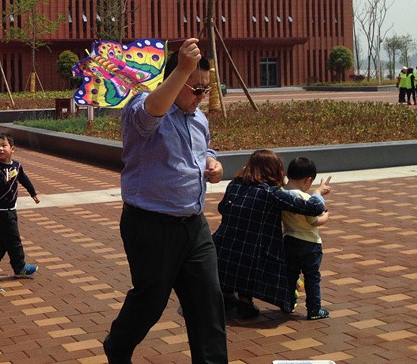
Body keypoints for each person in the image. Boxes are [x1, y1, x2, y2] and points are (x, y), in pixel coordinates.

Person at [104, 38, 227, 364]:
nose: (201, 97)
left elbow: (204, 149)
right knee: (151, 300)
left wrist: (212, 163)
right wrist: (183, 67)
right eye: (196, 89)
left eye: (206, 90)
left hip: (194, 225)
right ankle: (118, 346)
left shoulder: (198, 118)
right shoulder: (143, 107)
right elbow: (150, 114)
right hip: (151, 225)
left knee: (208, 302)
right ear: (176, 78)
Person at [212, 150, 330, 318]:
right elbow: (314, 208)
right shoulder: (270, 192)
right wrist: (318, 193)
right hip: (252, 258)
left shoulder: (234, 184)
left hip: (221, 250)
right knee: (253, 250)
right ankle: (245, 302)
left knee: (241, 246)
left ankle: (226, 295)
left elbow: (222, 208)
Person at [0, 133, 40, 280]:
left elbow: (24, 179)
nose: (0, 149)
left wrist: (33, 193)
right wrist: (5, 180)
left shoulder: (17, 166)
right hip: (0, 212)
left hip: (11, 210)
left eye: (3, 145)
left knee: (3, 240)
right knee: (13, 240)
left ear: (12, 148)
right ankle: (20, 267)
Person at [282, 157, 331, 320]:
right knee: (312, 277)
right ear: (308, 180)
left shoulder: (281, 193)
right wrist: (326, 216)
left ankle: (288, 303)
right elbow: (314, 221)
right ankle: (314, 309)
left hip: (289, 240)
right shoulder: (304, 198)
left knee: (290, 275)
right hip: (310, 244)